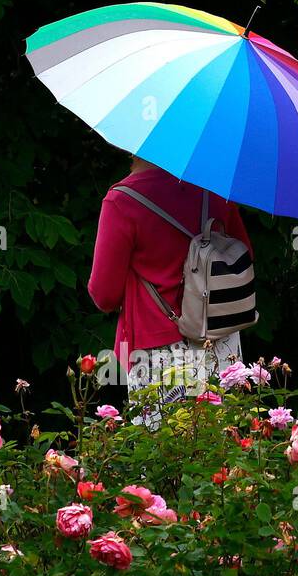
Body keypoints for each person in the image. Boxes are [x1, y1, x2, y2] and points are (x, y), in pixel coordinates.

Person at [88, 156, 253, 416]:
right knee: (223, 448)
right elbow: (244, 259)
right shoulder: (215, 189)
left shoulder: (123, 200)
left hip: (158, 351)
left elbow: (104, 295)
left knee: (162, 450)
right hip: (221, 343)